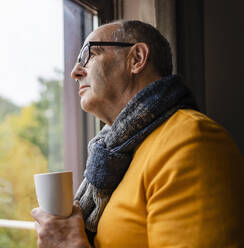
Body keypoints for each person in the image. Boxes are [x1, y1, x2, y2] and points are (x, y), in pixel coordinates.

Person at [31, 20, 244, 248]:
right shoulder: (113, 157)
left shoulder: (192, 140)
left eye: (88, 54)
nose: (75, 72)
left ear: (137, 58)